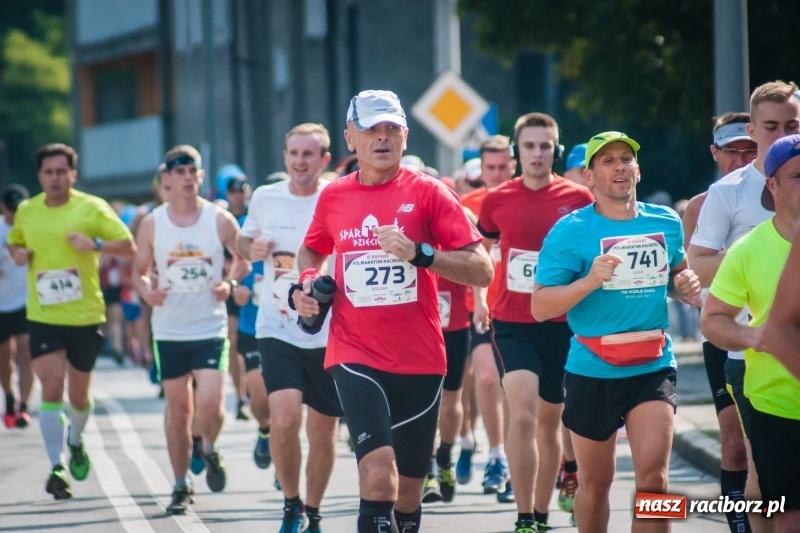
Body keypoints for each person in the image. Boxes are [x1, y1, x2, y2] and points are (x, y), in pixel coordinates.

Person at [292, 90, 493, 533]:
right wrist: (306, 286)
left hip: (420, 358)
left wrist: (421, 254)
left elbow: (482, 270)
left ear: (404, 135)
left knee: (407, 495)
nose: (381, 138)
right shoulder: (334, 197)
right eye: (370, 129)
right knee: (379, 476)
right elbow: (311, 250)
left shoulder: (431, 194)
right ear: (350, 138)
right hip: (355, 352)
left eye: (391, 129)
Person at [531, 131, 702, 533]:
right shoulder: (569, 231)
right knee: (595, 483)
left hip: (653, 362)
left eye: (626, 158)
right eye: (607, 161)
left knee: (656, 482)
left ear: (638, 170)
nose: (620, 166)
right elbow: (540, 307)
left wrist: (686, 286)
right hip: (593, 367)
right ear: (589, 178)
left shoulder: (666, 222)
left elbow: (676, 277)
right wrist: (589, 281)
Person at [689, 80, 800, 533]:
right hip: (746, 348)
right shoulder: (730, 192)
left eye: (791, 124)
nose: (780, 133)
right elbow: (697, 263)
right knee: (756, 465)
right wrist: (748, 261)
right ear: (753, 129)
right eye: (770, 126)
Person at [477, 113, 594, 532]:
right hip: (512, 321)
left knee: (552, 423)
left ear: (556, 151)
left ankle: (541, 514)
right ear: (516, 151)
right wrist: (477, 298)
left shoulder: (579, 199)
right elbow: (481, 252)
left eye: (546, 146)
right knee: (523, 416)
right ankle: (524, 517)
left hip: (564, 322)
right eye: (529, 146)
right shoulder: (497, 199)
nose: (538, 153)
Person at [7, 143, 135, 499]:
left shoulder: (92, 207)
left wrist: (94, 243)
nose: (55, 178)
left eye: (61, 172)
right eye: (48, 172)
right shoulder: (27, 211)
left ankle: (76, 439)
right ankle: (56, 465)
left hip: (84, 316)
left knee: (79, 396)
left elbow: (128, 246)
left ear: (73, 174)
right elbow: (15, 245)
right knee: (51, 385)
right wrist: (18, 253)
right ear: (39, 176)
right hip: (43, 316)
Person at [236, 123, 343, 533]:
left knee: (322, 430)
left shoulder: (336, 197)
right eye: (294, 154)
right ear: (285, 157)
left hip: (329, 331)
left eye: (309, 154)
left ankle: (313, 511)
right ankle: (291, 505)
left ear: (324, 160)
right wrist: (253, 248)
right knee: (283, 418)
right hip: (276, 326)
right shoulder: (265, 197)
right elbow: (244, 244)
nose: (300, 162)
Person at [132, 144, 248, 514]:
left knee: (212, 404)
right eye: (178, 171)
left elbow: (242, 259)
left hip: (209, 326)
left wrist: (228, 284)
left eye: (191, 171)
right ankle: (181, 485)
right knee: (178, 410)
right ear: (167, 178)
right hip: (170, 331)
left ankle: (208, 447)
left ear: (200, 176)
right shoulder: (153, 222)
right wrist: (147, 291)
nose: (185, 177)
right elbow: (138, 271)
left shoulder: (218, 219)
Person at [677, 111, 757, 533]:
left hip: (771, 329)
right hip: (721, 332)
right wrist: (693, 291)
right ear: (715, 153)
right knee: (732, 437)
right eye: (732, 152)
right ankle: (738, 523)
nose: (741, 159)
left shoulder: (778, 194)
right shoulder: (702, 206)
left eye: (750, 150)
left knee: (764, 440)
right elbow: (691, 269)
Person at [458, 135, 516, 501]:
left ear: (514, 164)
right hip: (479, 308)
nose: (496, 174)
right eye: (489, 167)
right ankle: (495, 455)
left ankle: (512, 460)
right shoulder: (468, 204)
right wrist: (479, 298)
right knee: (485, 378)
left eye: (503, 166)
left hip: (522, 310)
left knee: (516, 390)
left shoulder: (525, 200)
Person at [1, 185, 33, 429]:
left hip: (26, 302)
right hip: (1, 304)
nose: (14, 215)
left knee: (26, 354)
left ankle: (23, 407)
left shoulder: (33, 228)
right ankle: (9, 396)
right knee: (4, 358)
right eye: (11, 210)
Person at [225, 173, 252, 421]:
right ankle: (240, 395)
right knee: (233, 342)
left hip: (255, 287)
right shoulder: (224, 219)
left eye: (242, 188)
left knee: (253, 339)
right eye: (233, 190)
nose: (238, 193)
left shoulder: (255, 217)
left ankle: (253, 389)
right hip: (232, 286)